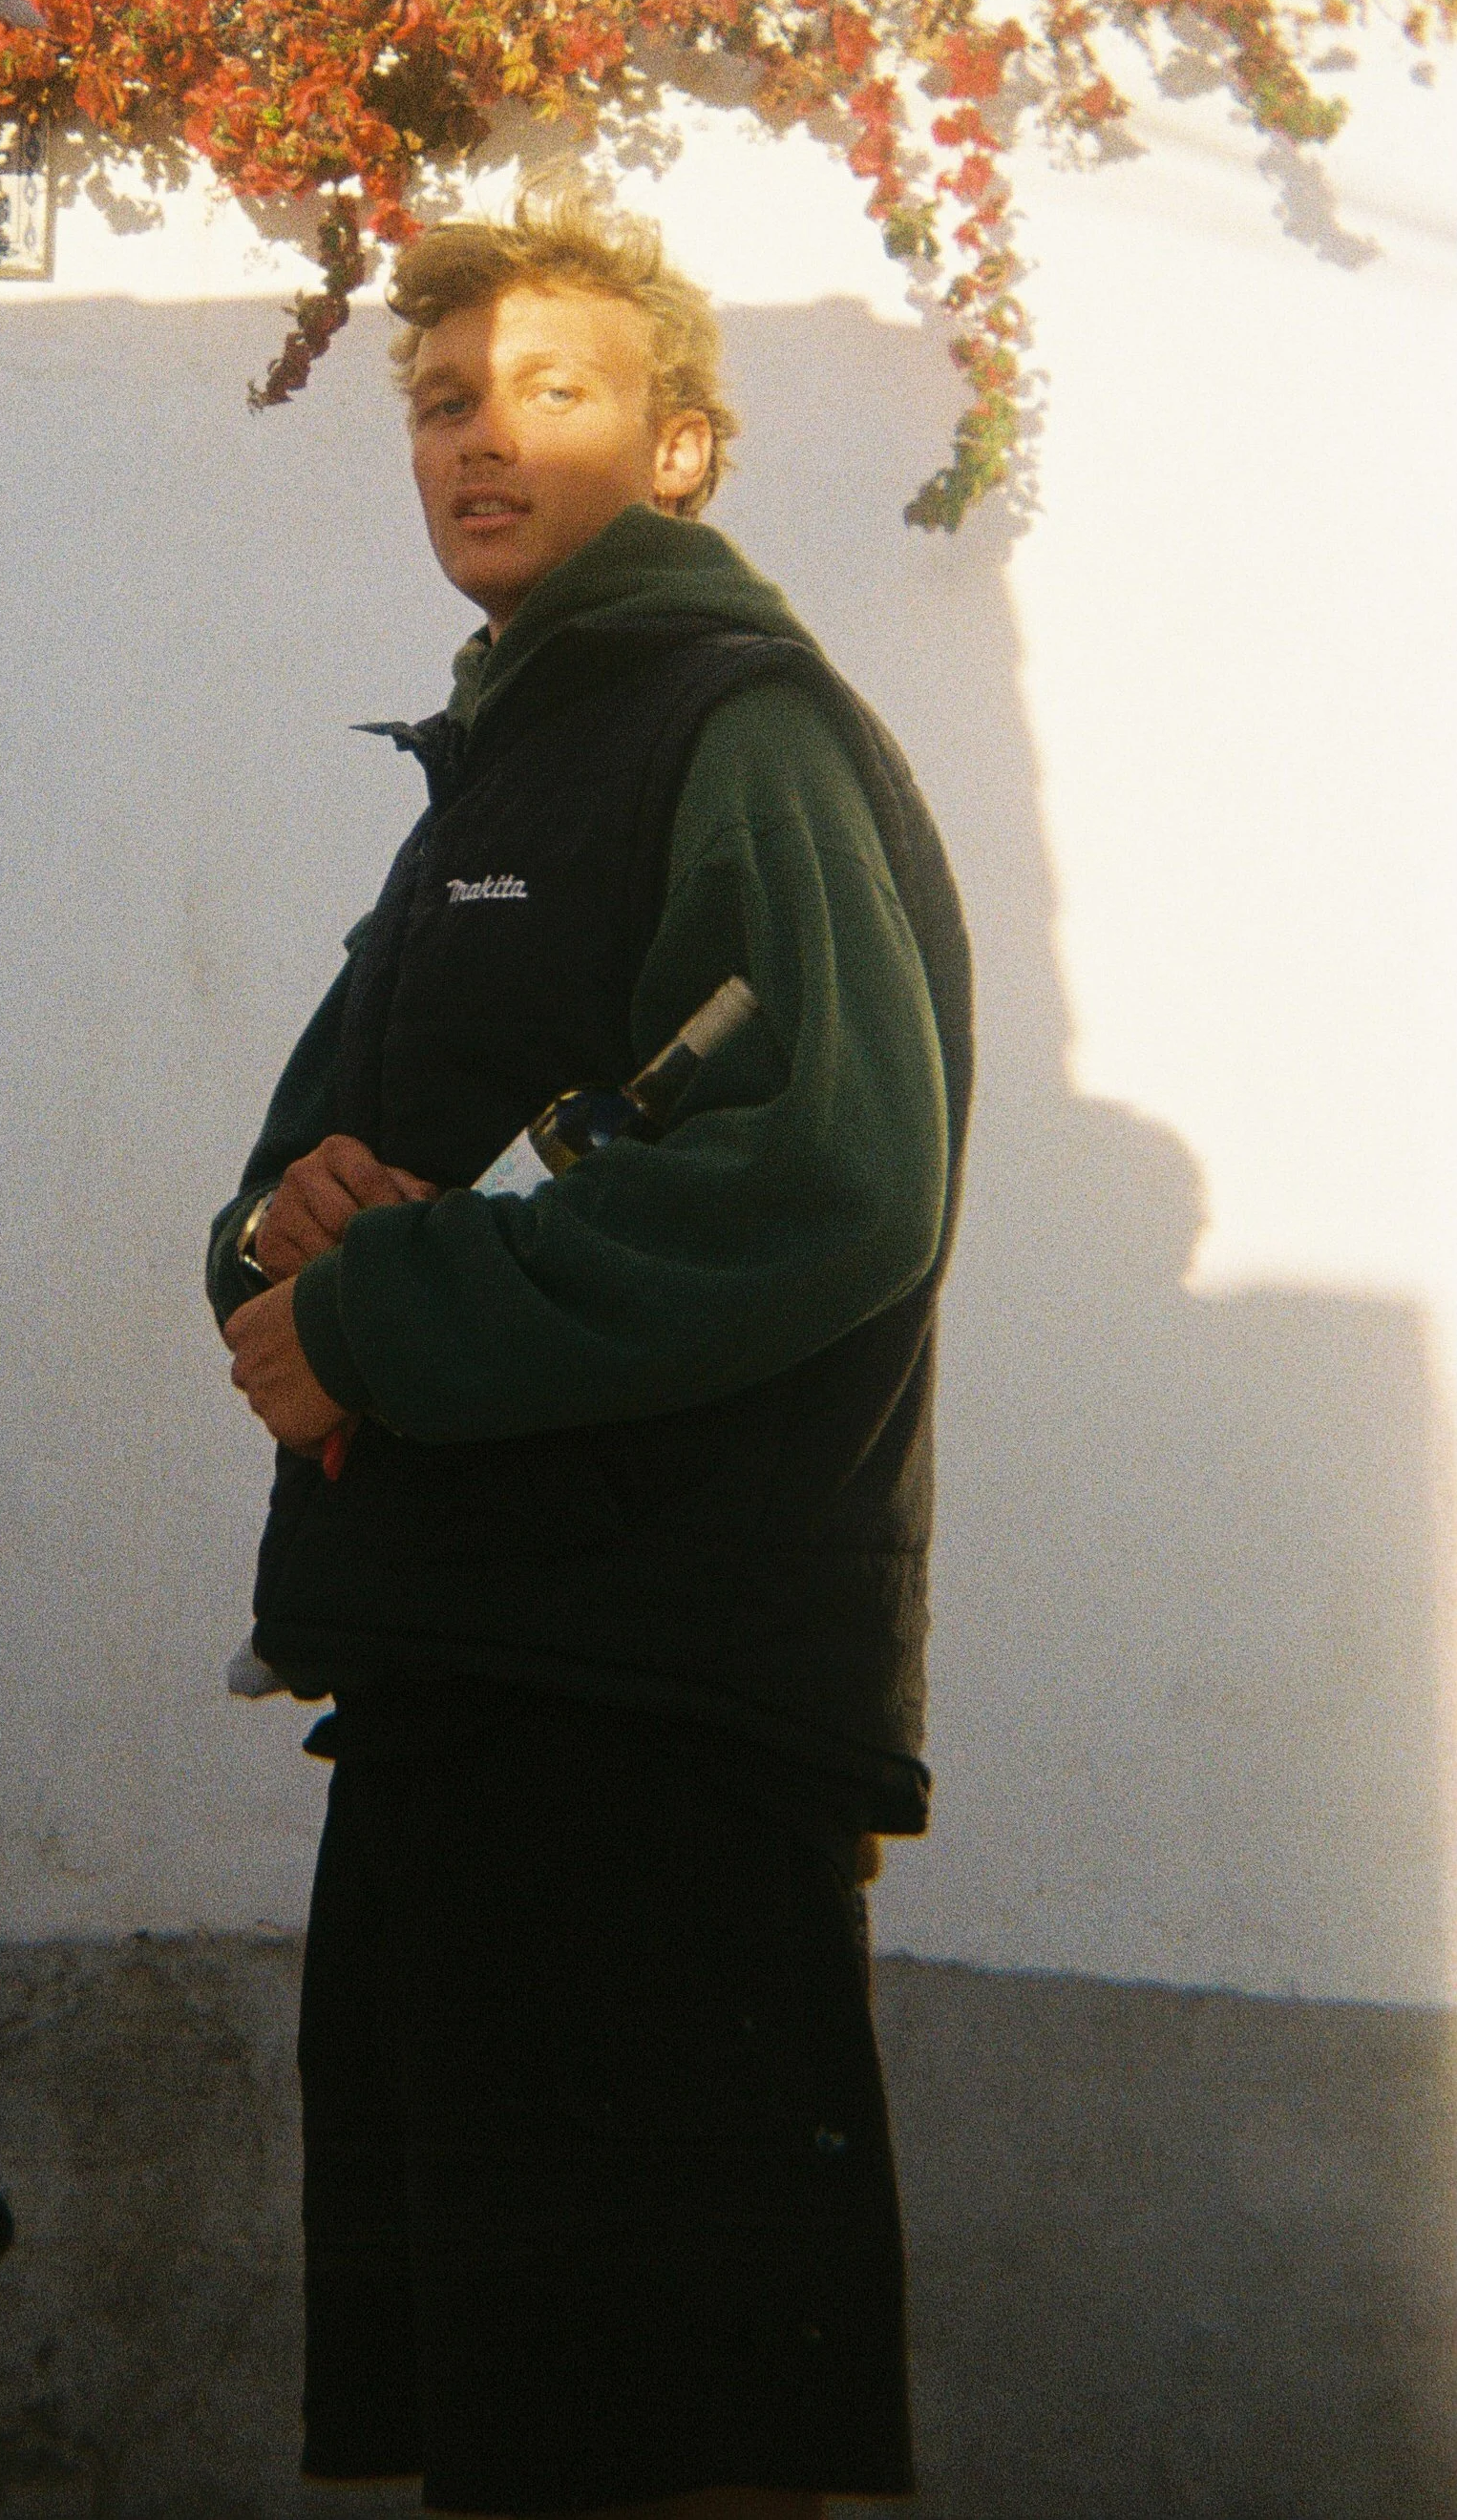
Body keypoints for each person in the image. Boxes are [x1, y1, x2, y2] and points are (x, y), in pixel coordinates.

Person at [205, 191, 973, 2520]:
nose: (479, 440)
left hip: (651, 1724)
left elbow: (825, 1167)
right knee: (520, 2434)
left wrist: (376, 1314)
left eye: (552, 389)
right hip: (465, 1691)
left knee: (662, 2434)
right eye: (444, 399)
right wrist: (283, 1235)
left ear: (688, 448)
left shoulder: (736, 728)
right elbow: (285, 1198)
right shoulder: (493, 772)